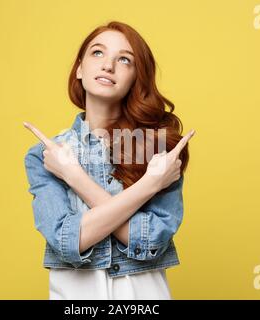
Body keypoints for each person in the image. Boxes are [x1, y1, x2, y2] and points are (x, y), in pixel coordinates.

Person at [23, 21, 196, 300]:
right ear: (80, 68)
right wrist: (149, 185)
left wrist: (74, 177)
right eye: (98, 53)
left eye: (124, 59)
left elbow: (151, 239)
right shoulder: (45, 156)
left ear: (136, 77)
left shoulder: (158, 151)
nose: (108, 66)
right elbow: (68, 241)